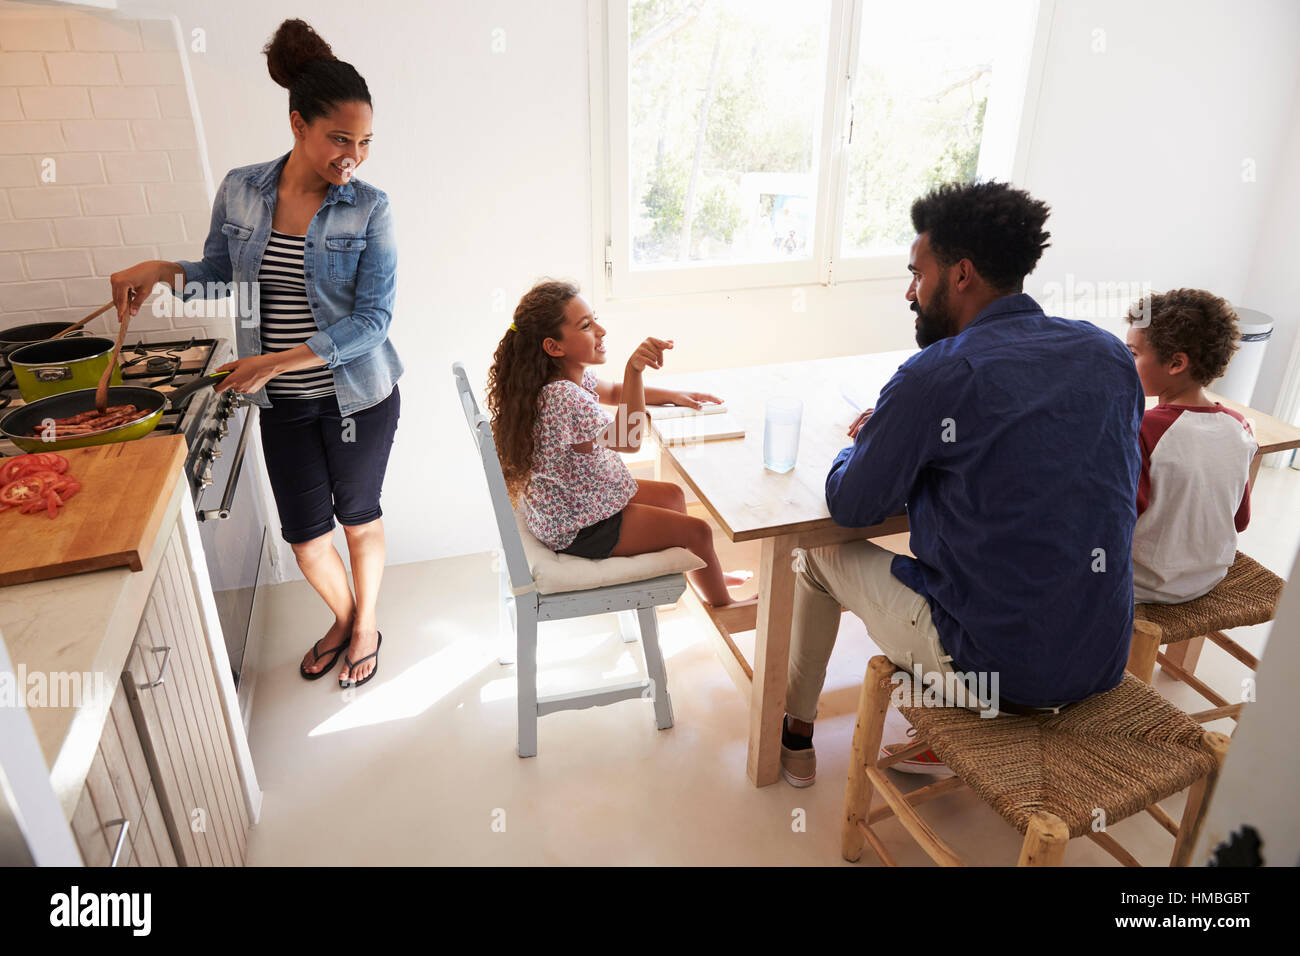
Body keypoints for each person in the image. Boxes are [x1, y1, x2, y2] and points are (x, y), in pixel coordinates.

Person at [779, 181, 1144, 788]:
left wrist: (862, 445)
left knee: (815, 555)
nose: (910, 292)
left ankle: (794, 734)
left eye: (917, 274)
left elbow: (852, 505)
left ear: (961, 275)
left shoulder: (935, 374)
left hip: (996, 669)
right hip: (1102, 654)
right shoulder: (1107, 354)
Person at [109, 19, 401, 688]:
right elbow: (219, 273)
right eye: (339, 139)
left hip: (357, 395)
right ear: (298, 124)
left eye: (363, 143)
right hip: (284, 406)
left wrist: (272, 361)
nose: (351, 156)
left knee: (358, 523)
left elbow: (374, 321)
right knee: (306, 540)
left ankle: (360, 628)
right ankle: (352, 616)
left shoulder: (370, 208)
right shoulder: (243, 190)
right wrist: (158, 269)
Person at [486, 280, 751, 606]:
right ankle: (725, 603)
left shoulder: (563, 376)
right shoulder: (563, 396)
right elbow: (629, 439)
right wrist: (635, 369)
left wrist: (675, 395)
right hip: (580, 527)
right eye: (586, 325)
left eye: (594, 318)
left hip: (577, 499)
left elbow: (612, 391)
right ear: (554, 347)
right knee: (699, 532)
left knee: (673, 495)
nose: (601, 330)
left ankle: (702, 569)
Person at [1124, 289, 1256, 604]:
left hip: (1143, 584)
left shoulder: (1145, 430)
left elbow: (1120, 520)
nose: (1126, 361)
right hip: (1210, 576)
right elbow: (1240, 521)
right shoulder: (1240, 428)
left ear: (1176, 363)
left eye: (1134, 353)